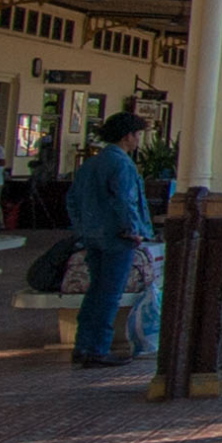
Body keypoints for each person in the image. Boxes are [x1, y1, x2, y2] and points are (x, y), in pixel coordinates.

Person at [66, 113, 153, 368]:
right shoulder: (122, 164)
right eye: (137, 135)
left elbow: (71, 199)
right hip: (117, 238)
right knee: (109, 294)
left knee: (94, 291)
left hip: (92, 236)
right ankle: (98, 349)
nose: (138, 141)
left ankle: (82, 345)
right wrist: (133, 229)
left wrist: (82, 228)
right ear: (128, 136)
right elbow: (125, 200)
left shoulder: (91, 164)